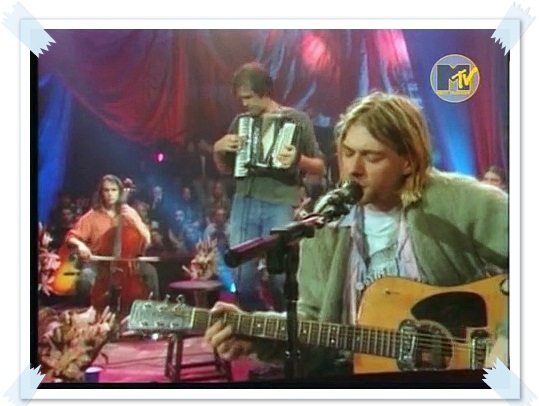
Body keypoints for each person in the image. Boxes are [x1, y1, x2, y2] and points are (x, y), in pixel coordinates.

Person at [204, 91, 509, 378]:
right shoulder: (326, 220)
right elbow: (314, 323)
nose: (354, 169)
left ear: (407, 161)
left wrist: (508, 340)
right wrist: (256, 335)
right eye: (348, 153)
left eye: (372, 157)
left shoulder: (459, 200)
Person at [212, 61, 326, 313]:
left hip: (281, 202)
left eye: (248, 97)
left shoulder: (296, 119)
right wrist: (217, 149)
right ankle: (260, 323)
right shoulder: (241, 122)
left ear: (264, 91)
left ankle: (285, 326)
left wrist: (298, 159)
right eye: (241, 98)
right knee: (241, 277)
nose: (244, 104)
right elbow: (225, 169)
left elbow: (320, 166)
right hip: (244, 201)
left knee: (280, 277)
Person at [64, 174, 160, 307]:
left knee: (150, 273)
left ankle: (153, 310)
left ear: (120, 192)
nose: (110, 194)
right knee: (85, 279)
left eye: (114, 190)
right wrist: (81, 245)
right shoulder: (92, 215)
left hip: (126, 262)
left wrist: (136, 221)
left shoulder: (129, 213)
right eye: (106, 190)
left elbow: (147, 239)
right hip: (99, 262)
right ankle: (83, 312)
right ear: (101, 193)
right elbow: (71, 237)